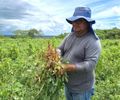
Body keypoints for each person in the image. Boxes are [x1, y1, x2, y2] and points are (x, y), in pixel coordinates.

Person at [58, 7, 101, 100]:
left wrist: (67, 67)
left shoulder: (92, 41)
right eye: (74, 20)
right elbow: (60, 48)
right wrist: (55, 54)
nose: (75, 23)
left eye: (80, 21)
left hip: (82, 88)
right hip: (69, 84)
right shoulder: (70, 36)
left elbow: (90, 64)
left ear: (88, 24)